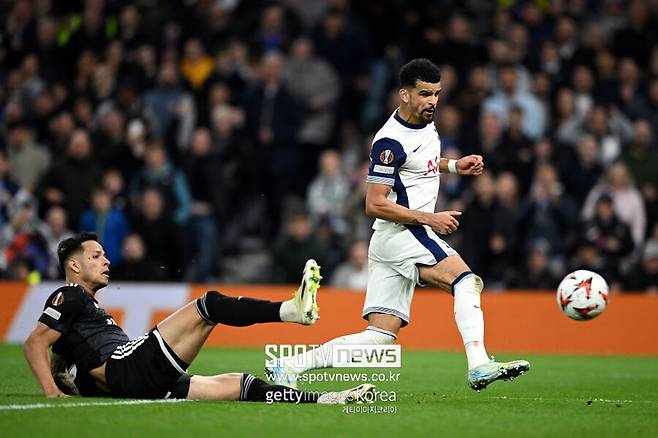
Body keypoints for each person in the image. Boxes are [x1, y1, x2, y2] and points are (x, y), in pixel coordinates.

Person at [268, 59, 529, 391]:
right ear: (404, 94)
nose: (432, 101)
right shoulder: (389, 142)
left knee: (378, 338)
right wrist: (429, 218)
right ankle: (478, 364)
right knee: (466, 282)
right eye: (424, 94)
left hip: (390, 241)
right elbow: (373, 203)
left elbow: (420, 165)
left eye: (436, 94)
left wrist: (453, 166)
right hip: (406, 231)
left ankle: (289, 366)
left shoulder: (424, 123)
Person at [23, 232, 373, 404]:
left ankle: (326, 398)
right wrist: (52, 391)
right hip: (129, 367)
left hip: (137, 380)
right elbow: (35, 342)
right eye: (96, 256)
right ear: (74, 265)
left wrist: (65, 376)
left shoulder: (85, 309)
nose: (106, 261)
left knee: (239, 384)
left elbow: (63, 348)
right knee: (209, 304)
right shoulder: (69, 295)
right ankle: (290, 310)